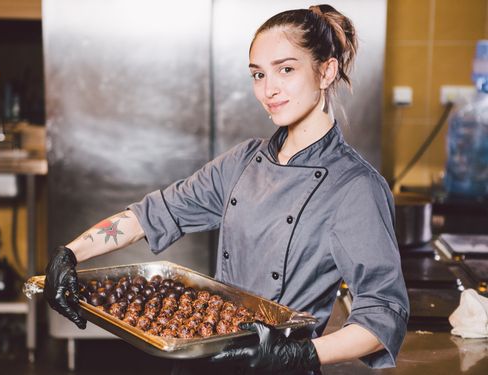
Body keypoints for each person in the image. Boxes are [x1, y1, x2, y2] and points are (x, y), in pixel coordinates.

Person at [44, 4, 409, 374]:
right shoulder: (243, 162)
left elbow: (383, 315)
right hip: (210, 361)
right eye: (257, 74)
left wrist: (300, 355)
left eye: (286, 69)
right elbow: (150, 216)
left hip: (278, 368)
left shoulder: (354, 186)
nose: (269, 90)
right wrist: (70, 254)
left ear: (326, 71)